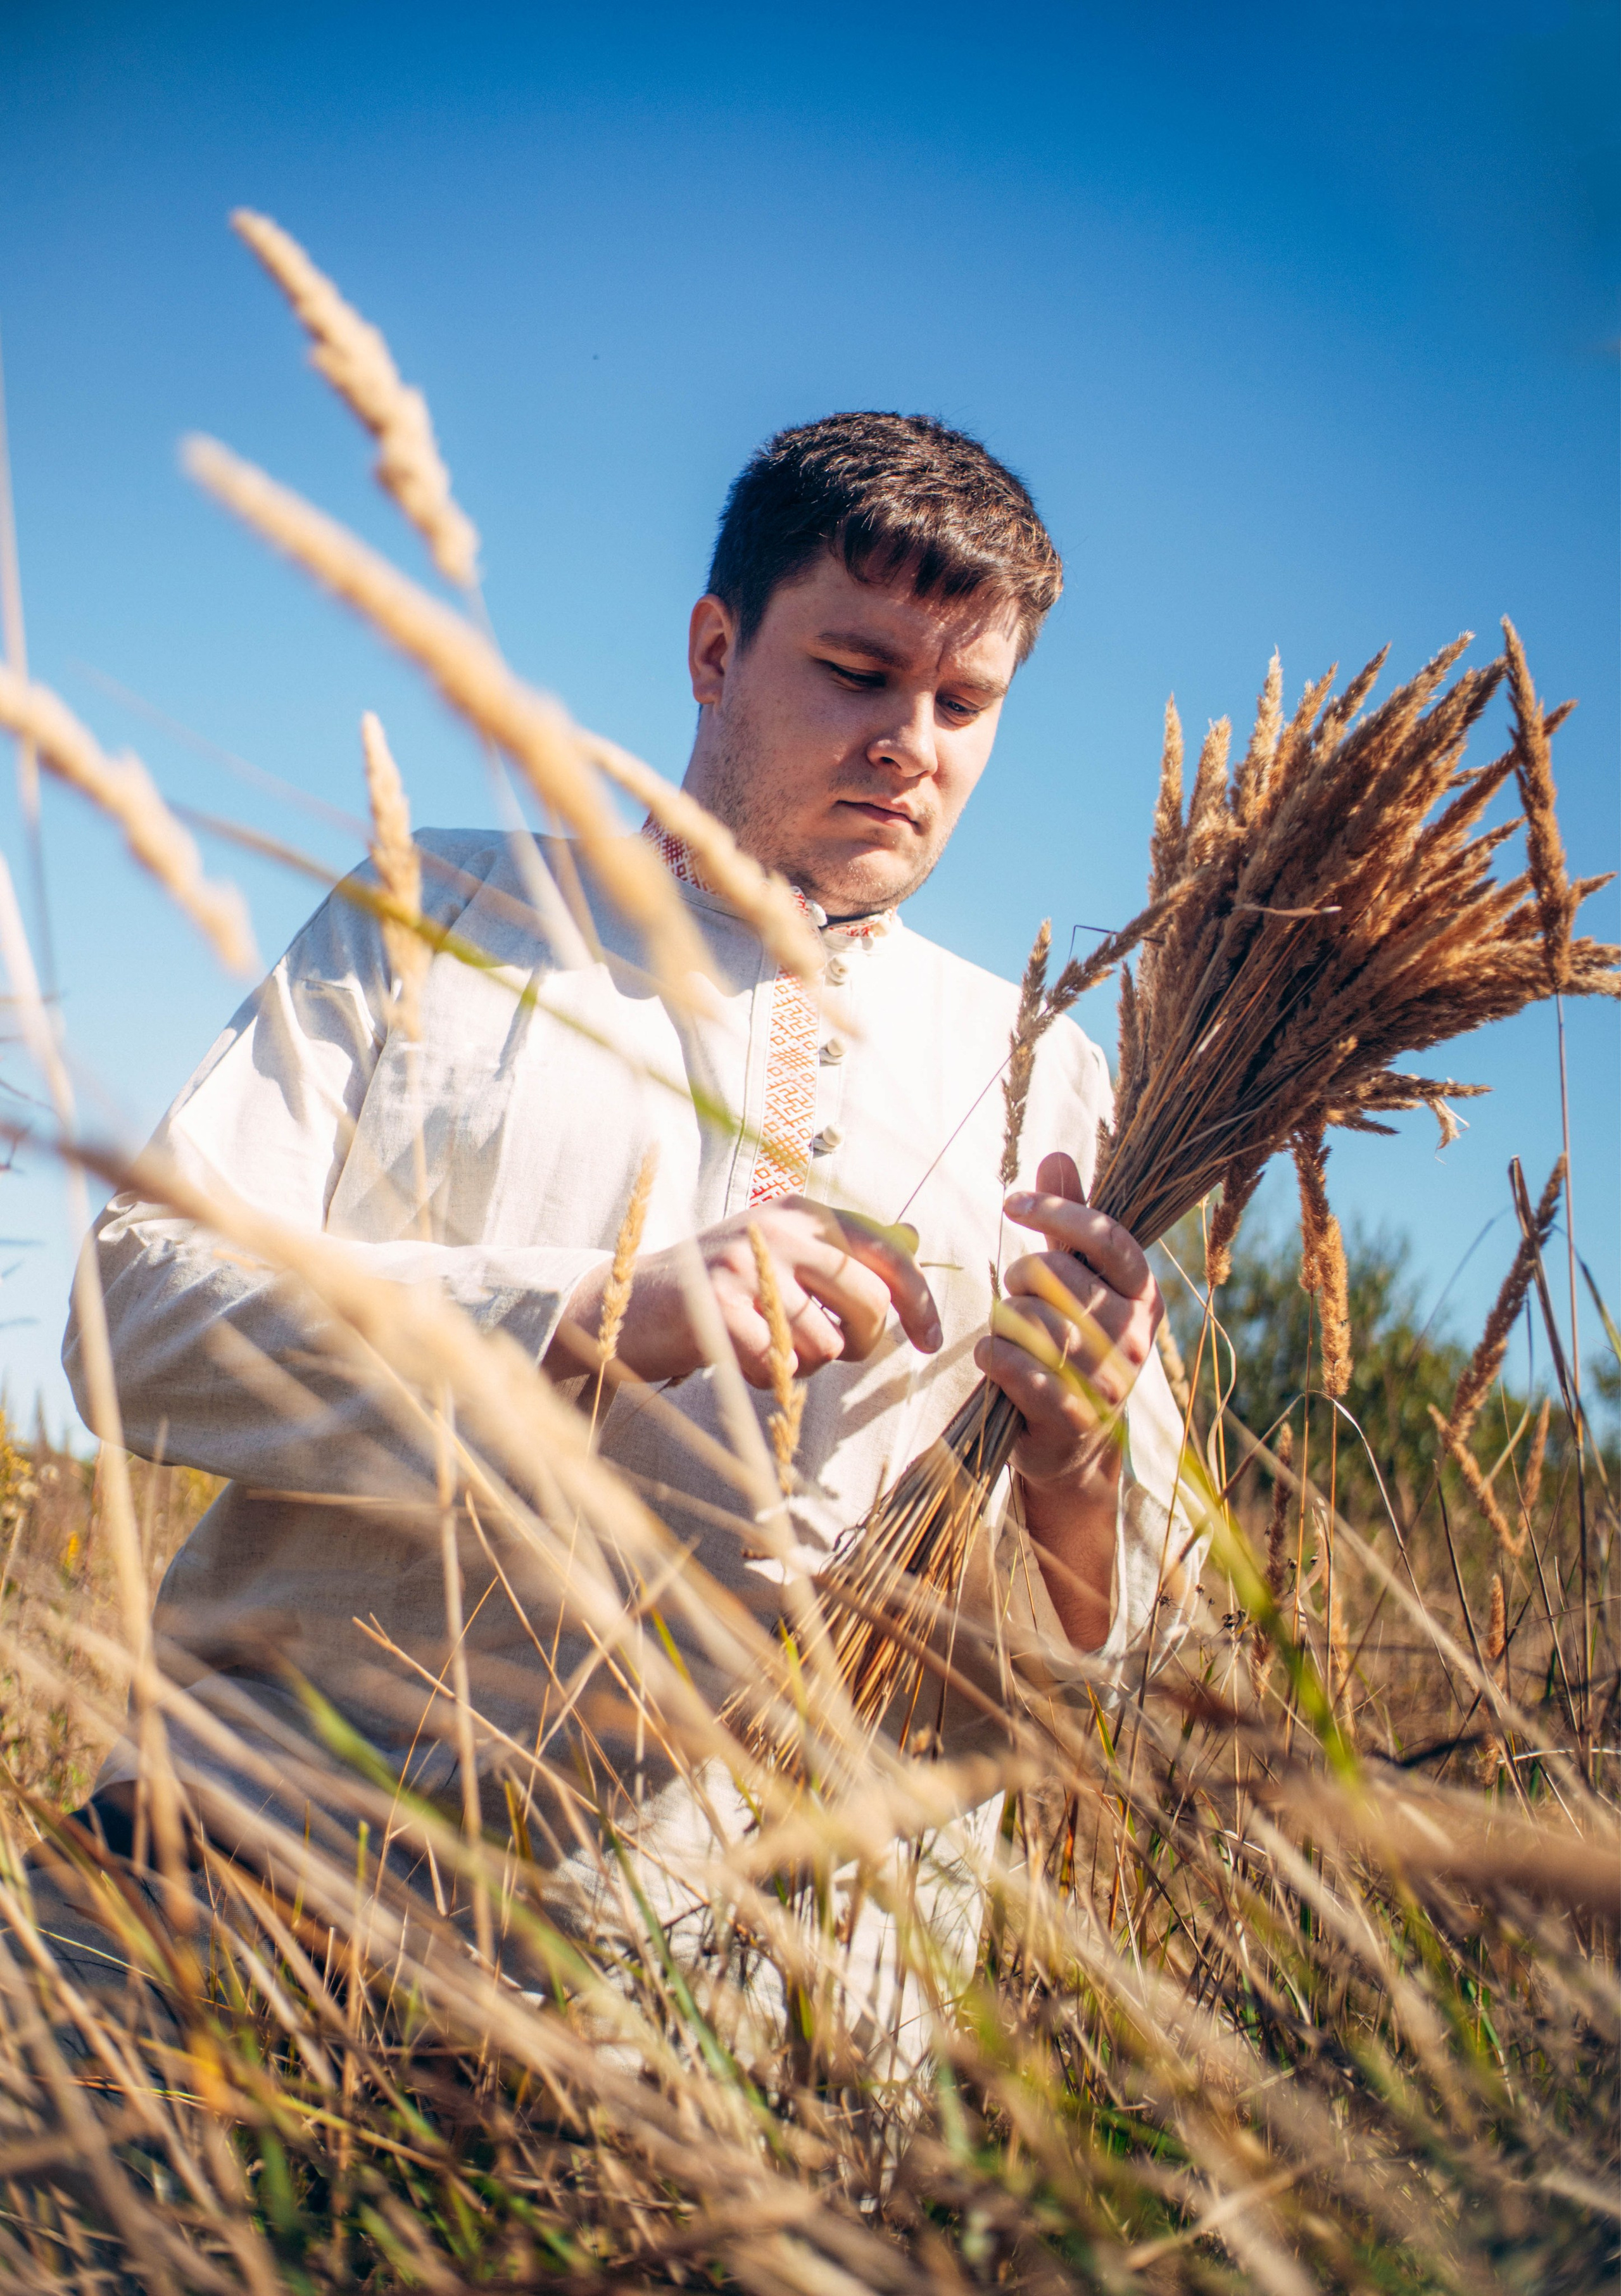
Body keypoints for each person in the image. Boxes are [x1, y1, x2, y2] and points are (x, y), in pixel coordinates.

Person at [62, 411, 1200, 1919]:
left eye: (964, 701)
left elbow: (1130, 1659)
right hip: (260, 1899)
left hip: (778, 2027)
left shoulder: (1052, 1075)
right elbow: (131, 1319)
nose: (909, 746)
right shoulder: (438, 912)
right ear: (714, 649)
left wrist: (1071, 1464)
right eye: (857, 673)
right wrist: (585, 1313)